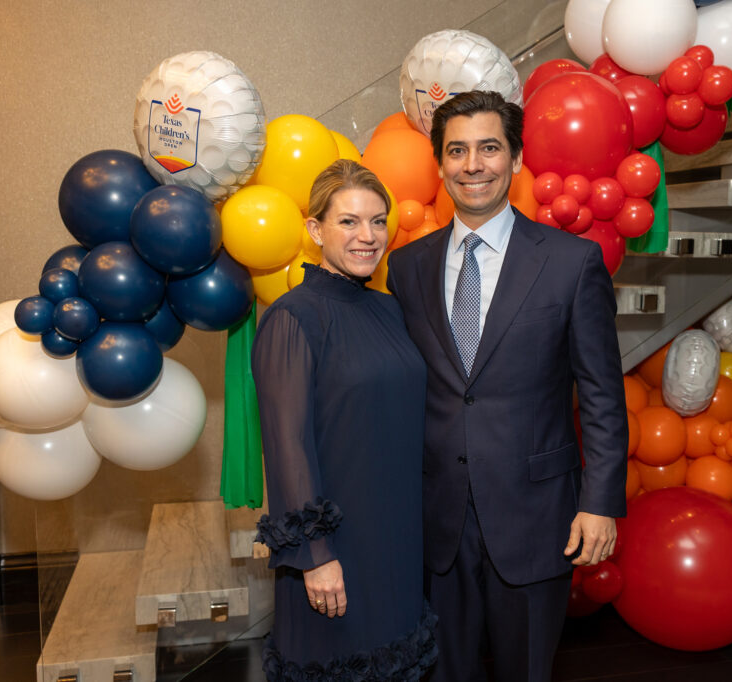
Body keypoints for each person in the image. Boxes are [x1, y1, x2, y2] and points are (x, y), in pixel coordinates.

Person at [386, 91, 628, 681]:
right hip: (436, 517)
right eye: (458, 151)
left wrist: (599, 502)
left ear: (516, 158)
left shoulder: (572, 263)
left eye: (489, 148)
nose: (474, 165)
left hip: (536, 513)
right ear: (440, 165)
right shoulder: (407, 266)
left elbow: (601, 395)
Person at [252, 159, 437, 681]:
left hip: (396, 537)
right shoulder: (293, 317)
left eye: (378, 221)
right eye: (349, 222)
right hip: (335, 547)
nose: (368, 236)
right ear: (316, 230)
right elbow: (287, 445)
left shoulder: (390, 309)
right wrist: (315, 556)